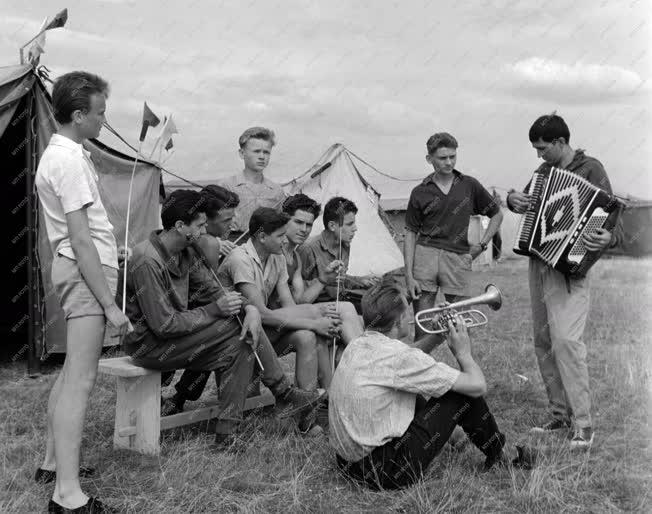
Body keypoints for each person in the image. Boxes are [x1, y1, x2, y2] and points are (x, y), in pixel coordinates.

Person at [121, 190, 325, 446]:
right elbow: (164, 325)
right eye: (200, 225)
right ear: (180, 226)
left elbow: (215, 289)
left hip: (175, 335)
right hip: (148, 344)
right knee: (234, 327)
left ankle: (227, 435)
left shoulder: (188, 249)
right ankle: (283, 392)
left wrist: (249, 309)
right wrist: (215, 310)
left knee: (241, 338)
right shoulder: (147, 260)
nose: (206, 230)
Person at [329, 277, 534, 490]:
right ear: (399, 322)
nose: (411, 314)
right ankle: (498, 455)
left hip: (347, 464)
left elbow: (405, 360)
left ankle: (477, 444)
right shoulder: (399, 357)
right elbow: (477, 385)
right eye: (407, 310)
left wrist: (437, 336)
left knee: (417, 389)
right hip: (387, 472)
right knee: (461, 394)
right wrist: (463, 353)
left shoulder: (358, 344)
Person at [34, 71, 132, 513]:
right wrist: (111, 305)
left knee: (72, 371)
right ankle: (67, 496)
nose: (103, 121)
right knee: (81, 380)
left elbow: (85, 234)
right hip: (83, 273)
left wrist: (114, 251)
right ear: (79, 115)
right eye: (99, 114)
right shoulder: (70, 160)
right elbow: (79, 237)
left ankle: (53, 465)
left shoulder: (61, 155)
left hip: (78, 269)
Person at [506, 114, 621, 449]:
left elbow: (611, 215)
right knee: (543, 341)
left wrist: (607, 239)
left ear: (559, 142)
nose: (538, 155)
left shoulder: (592, 169)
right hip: (539, 264)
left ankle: (583, 424)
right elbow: (524, 203)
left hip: (569, 270)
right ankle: (559, 416)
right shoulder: (542, 174)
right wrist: (513, 200)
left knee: (567, 342)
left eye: (542, 148)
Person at [218, 207, 348, 391]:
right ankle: (330, 392)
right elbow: (261, 315)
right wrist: (314, 321)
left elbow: (290, 307)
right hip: (237, 334)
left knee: (306, 337)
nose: (285, 240)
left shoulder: (276, 257)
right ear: (262, 237)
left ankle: (305, 409)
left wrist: (312, 322)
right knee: (315, 321)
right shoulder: (240, 259)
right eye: (280, 236)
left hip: (261, 331)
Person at [404, 132, 503, 339]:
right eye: (442, 158)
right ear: (429, 159)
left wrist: (483, 244)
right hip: (424, 257)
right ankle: (421, 369)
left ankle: (465, 372)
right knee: (422, 327)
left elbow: (497, 214)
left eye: (453, 157)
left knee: (460, 328)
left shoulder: (469, 185)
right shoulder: (419, 192)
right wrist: (409, 275)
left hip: (458, 258)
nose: (449, 162)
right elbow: (411, 234)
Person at [161, 184, 241, 415]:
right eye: (226, 220)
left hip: (186, 312)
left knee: (218, 326)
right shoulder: (204, 241)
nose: (232, 225)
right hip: (176, 318)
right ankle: (177, 395)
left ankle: (178, 396)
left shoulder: (202, 239)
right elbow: (209, 290)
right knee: (219, 329)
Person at [279, 194, 364, 387]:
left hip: (295, 312)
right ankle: (364, 363)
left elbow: (300, 301)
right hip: (278, 319)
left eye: (308, 225)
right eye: (298, 222)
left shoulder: (295, 257)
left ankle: (338, 388)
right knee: (344, 311)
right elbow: (298, 305)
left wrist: (326, 280)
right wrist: (315, 314)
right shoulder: (298, 251)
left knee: (357, 319)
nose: (304, 229)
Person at [299, 196, 379, 312]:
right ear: (332, 226)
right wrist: (322, 281)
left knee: (383, 302)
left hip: (340, 299)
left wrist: (360, 281)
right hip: (316, 307)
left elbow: (338, 279)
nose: (355, 228)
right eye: (349, 224)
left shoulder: (345, 245)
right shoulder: (308, 248)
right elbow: (296, 291)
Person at [218, 127, 287, 243]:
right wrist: (219, 242)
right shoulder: (227, 186)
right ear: (242, 153)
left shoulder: (277, 190)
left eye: (266, 152)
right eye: (256, 151)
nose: (262, 156)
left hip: (265, 245)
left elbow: (281, 226)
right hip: (233, 245)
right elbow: (210, 223)